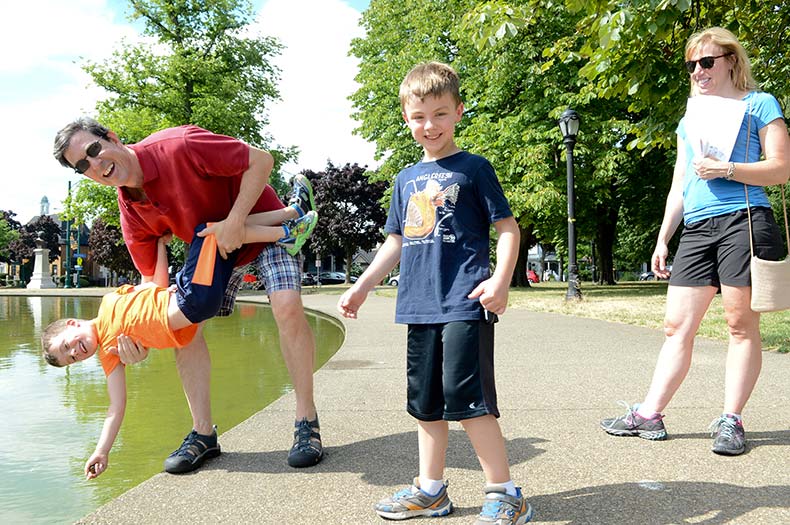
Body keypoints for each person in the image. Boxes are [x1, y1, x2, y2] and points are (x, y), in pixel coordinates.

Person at [53, 118, 325, 471]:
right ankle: (203, 433)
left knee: (287, 306)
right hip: (215, 250)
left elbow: (262, 160)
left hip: (263, 229)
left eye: (93, 150)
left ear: (112, 137)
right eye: (82, 166)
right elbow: (155, 286)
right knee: (182, 324)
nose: (95, 165)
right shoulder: (131, 211)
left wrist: (234, 221)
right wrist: (142, 342)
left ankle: (306, 421)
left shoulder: (179, 145)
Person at [337, 62, 532, 524]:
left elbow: (507, 228)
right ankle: (431, 490)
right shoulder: (405, 179)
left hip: (466, 302)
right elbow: (397, 242)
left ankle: (505, 492)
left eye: (440, 114)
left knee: (469, 402)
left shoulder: (474, 169)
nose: (430, 126)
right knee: (426, 405)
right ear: (406, 118)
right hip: (419, 307)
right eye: (419, 116)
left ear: (459, 112)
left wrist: (501, 279)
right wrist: (362, 286)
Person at [601, 27, 790, 456]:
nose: (699, 70)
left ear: (730, 60)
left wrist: (726, 169)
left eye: (707, 61)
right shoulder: (690, 119)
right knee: (676, 325)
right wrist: (663, 237)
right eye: (692, 64)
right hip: (698, 228)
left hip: (744, 219)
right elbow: (680, 184)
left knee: (740, 325)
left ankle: (731, 420)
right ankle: (650, 413)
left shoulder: (759, 104)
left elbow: (781, 169)